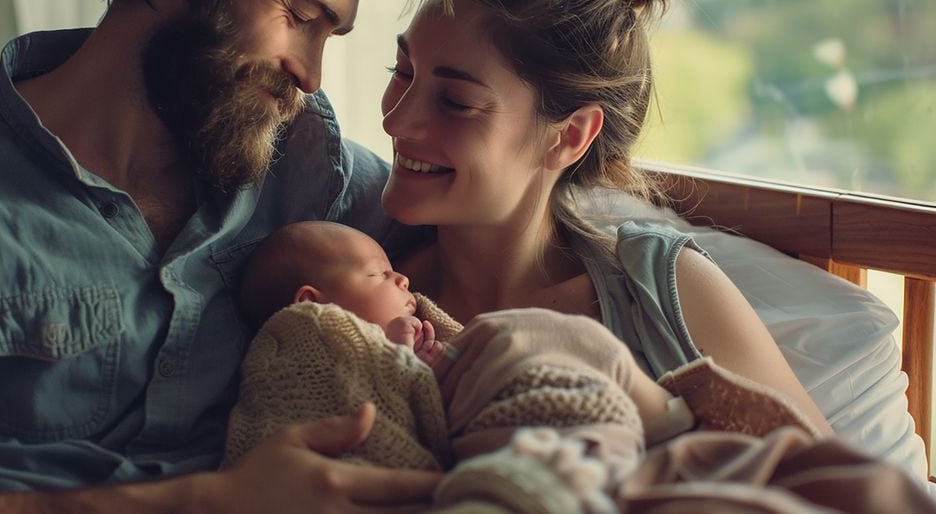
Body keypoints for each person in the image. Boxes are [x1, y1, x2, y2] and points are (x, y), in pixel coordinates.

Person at [0, 0, 450, 511]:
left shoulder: (312, 175)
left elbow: (522, 216)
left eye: (327, 34)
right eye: (301, 16)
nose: (309, 76)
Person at [376, 0, 836, 439]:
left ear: (570, 136)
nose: (396, 121)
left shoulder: (664, 293)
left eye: (456, 101)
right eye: (402, 72)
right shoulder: (363, 283)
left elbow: (831, 483)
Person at [232, 219, 697, 442]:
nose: (402, 280)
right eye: (378, 275)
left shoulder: (654, 272)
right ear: (313, 304)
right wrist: (396, 361)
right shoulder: (302, 344)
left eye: (457, 101)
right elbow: (327, 401)